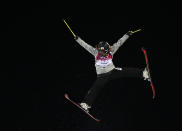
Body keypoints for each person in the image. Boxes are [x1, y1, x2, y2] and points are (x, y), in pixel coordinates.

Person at [74, 31, 149, 113]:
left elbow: (119, 42)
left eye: (105, 53)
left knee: (125, 71)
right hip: (102, 76)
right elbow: (86, 46)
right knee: (95, 88)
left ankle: (143, 73)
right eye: (102, 53)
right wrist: (78, 39)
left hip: (112, 71)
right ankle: (85, 104)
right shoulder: (95, 52)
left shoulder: (111, 50)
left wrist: (127, 35)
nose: (104, 55)